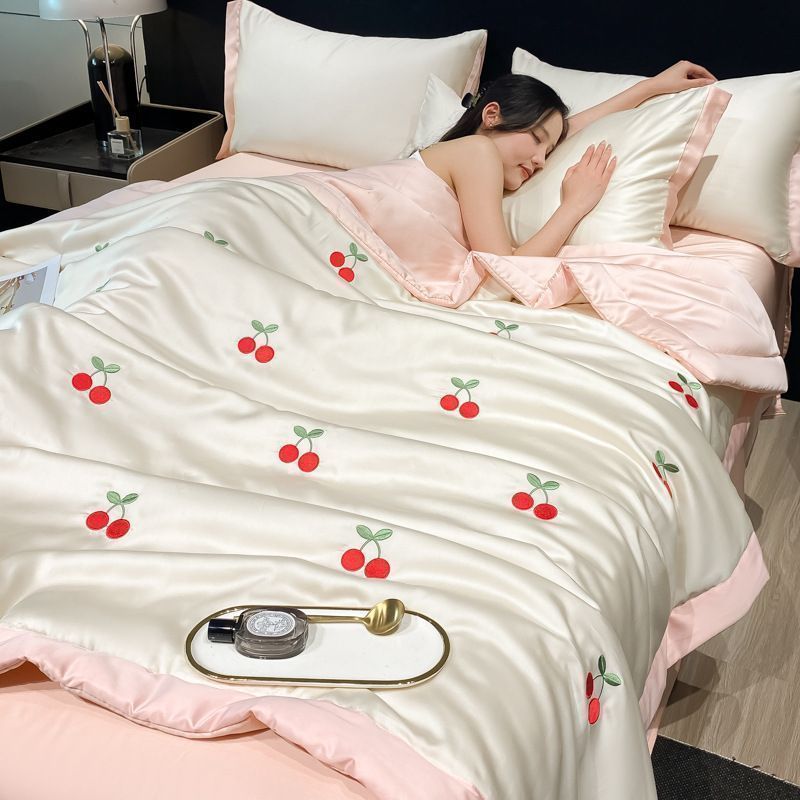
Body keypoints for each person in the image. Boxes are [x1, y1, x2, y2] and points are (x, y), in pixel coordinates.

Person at [416, 61, 717, 257]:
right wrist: (573, 206)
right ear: (492, 115)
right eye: (536, 139)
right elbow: (501, 273)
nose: (541, 161)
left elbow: (571, 129)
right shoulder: (477, 151)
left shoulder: (458, 155)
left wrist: (651, 87)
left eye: (548, 152)